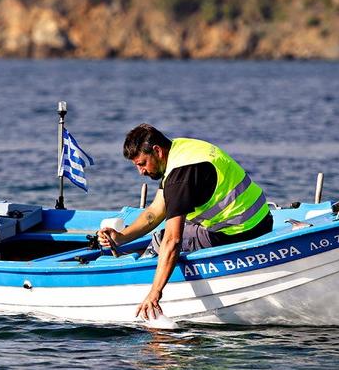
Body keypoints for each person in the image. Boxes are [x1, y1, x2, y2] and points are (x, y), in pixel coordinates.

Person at [98, 124, 273, 320]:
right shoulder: (182, 149)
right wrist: (122, 237)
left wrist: (155, 293)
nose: (141, 171)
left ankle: (143, 277)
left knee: (161, 240)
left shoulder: (179, 176)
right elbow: (156, 211)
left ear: (157, 151)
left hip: (238, 232)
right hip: (263, 221)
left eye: (142, 163)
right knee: (168, 235)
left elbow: (173, 241)